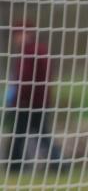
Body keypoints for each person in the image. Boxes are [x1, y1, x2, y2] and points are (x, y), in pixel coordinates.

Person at [6, 20, 59, 171]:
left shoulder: (30, 52)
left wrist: (18, 99)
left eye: (18, 34)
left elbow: (25, 79)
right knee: (37, 135)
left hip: (29, 103)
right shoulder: (38, 50)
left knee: (22, 136)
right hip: (38, 102)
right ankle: (58, 162)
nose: (16, 38)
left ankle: (15, 166)